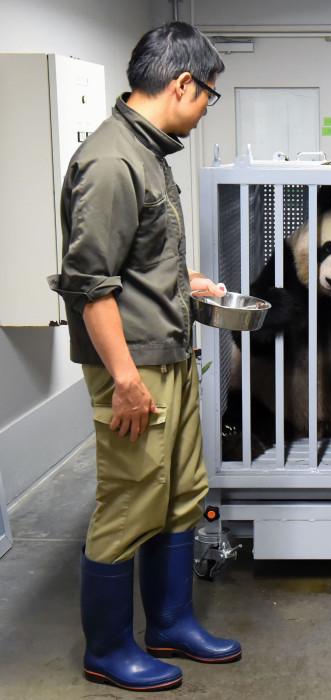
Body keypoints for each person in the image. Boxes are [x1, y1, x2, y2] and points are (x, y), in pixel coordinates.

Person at [47, 22, 240, 693]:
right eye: (208, 94)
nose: (205, 107)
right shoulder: (111, 162)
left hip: (171, 353)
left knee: (179, 493)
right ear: (183, 83)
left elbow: (137, 261)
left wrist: (187, 285)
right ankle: (106, 649)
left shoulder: (149, 152)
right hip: (135, 367)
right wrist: (126, 382)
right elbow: (89, 285)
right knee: (131, 498)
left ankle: (170, 623)